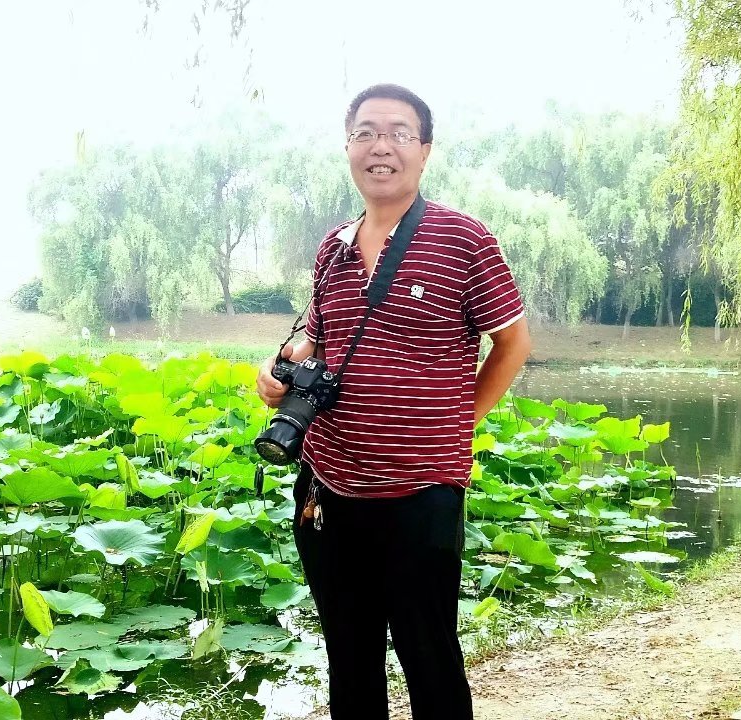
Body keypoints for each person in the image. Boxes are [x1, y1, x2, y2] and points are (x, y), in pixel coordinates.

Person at [256, 83, 531, 720]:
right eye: (366, 133)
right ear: (348, 147)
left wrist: (461, 419)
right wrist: (278, 370)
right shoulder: (333, 246)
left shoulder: (464, 239)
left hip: (420, 491)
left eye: (399, 134)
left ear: (424, 150)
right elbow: (316, 337)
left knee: (428, 655)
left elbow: (513, 343)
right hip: (328, 486)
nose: (381, 147)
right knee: (349, 656)